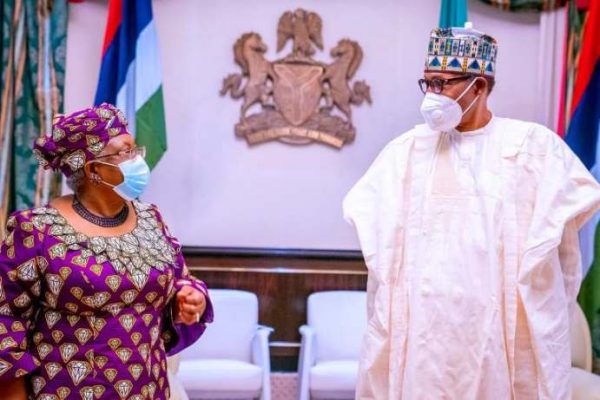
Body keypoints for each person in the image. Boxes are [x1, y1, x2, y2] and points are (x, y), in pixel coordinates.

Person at [343, 24, 600, 399]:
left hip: (499, 338)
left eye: (443, 83)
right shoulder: (406, 152)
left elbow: (564, 250)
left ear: (479, 86)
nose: (432, 95)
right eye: (428, 83)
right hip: (423, 342)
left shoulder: (533, 149)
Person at [0, 103, 213, 400]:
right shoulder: (35, 230)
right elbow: (6, 324)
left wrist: (190, 298)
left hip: (148, 389)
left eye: (135, 149)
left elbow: (181, 279)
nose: (136, 159)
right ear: (93, 169)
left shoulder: (152, 219)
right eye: (124, 152)